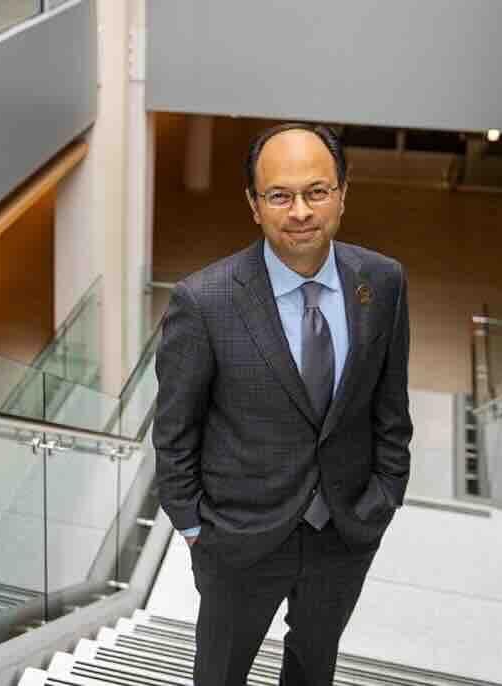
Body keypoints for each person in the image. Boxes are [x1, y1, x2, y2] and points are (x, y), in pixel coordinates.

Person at [153, 122, 413, 685]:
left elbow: (390, 405)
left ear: (344, 192)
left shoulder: (383, 282)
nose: (300, 211)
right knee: (220, 673)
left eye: (317, 191)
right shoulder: (204, 302)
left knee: (314, 665)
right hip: (238, 538)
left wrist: (385, 494)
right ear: (254, 205)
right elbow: (174, 429)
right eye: (279, 195)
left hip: (346, 528)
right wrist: (195, 527)